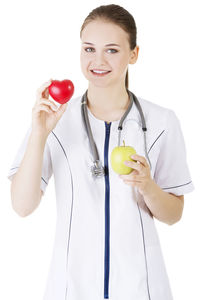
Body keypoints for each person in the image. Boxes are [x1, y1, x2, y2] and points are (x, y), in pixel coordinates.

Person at [7, 4, 194, 300]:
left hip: (141, 288)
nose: (98, 61)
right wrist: (40, 134)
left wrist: (147, 186)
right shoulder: (55, 119)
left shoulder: (161, 122)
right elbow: (22, 205)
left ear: (133, 54)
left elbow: (174, 214)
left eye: (112, 50)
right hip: (70, 288)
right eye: (88, 49)